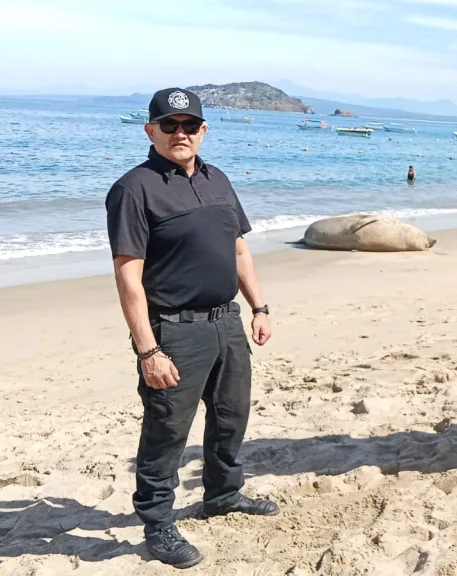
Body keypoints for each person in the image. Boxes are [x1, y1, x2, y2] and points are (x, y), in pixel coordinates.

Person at [105, 87, 278, 569]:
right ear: (150, 131)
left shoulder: (218, 179)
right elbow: (128, 276)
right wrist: (148, 350)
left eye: (189, 125)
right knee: (166, 430)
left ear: (203, 131)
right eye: (169, 125)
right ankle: (158, 523)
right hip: (174, 333)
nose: (179, 133)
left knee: (231, 417)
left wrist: (259, 307)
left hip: (227, 323)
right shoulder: (133, 188)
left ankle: (223, 494)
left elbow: (238, 251)